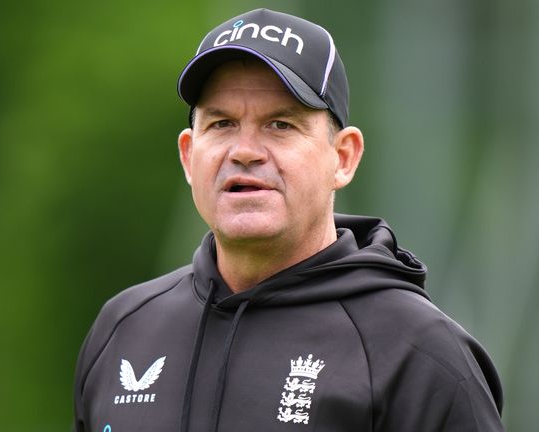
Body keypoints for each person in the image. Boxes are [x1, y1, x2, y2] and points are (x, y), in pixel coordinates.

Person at [73, 8, 504, 432]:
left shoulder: (418, 353)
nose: (244, 151)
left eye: (280, 125)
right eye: (222, 123)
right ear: (188, 156)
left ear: (343, 157)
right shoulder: (124, 328)